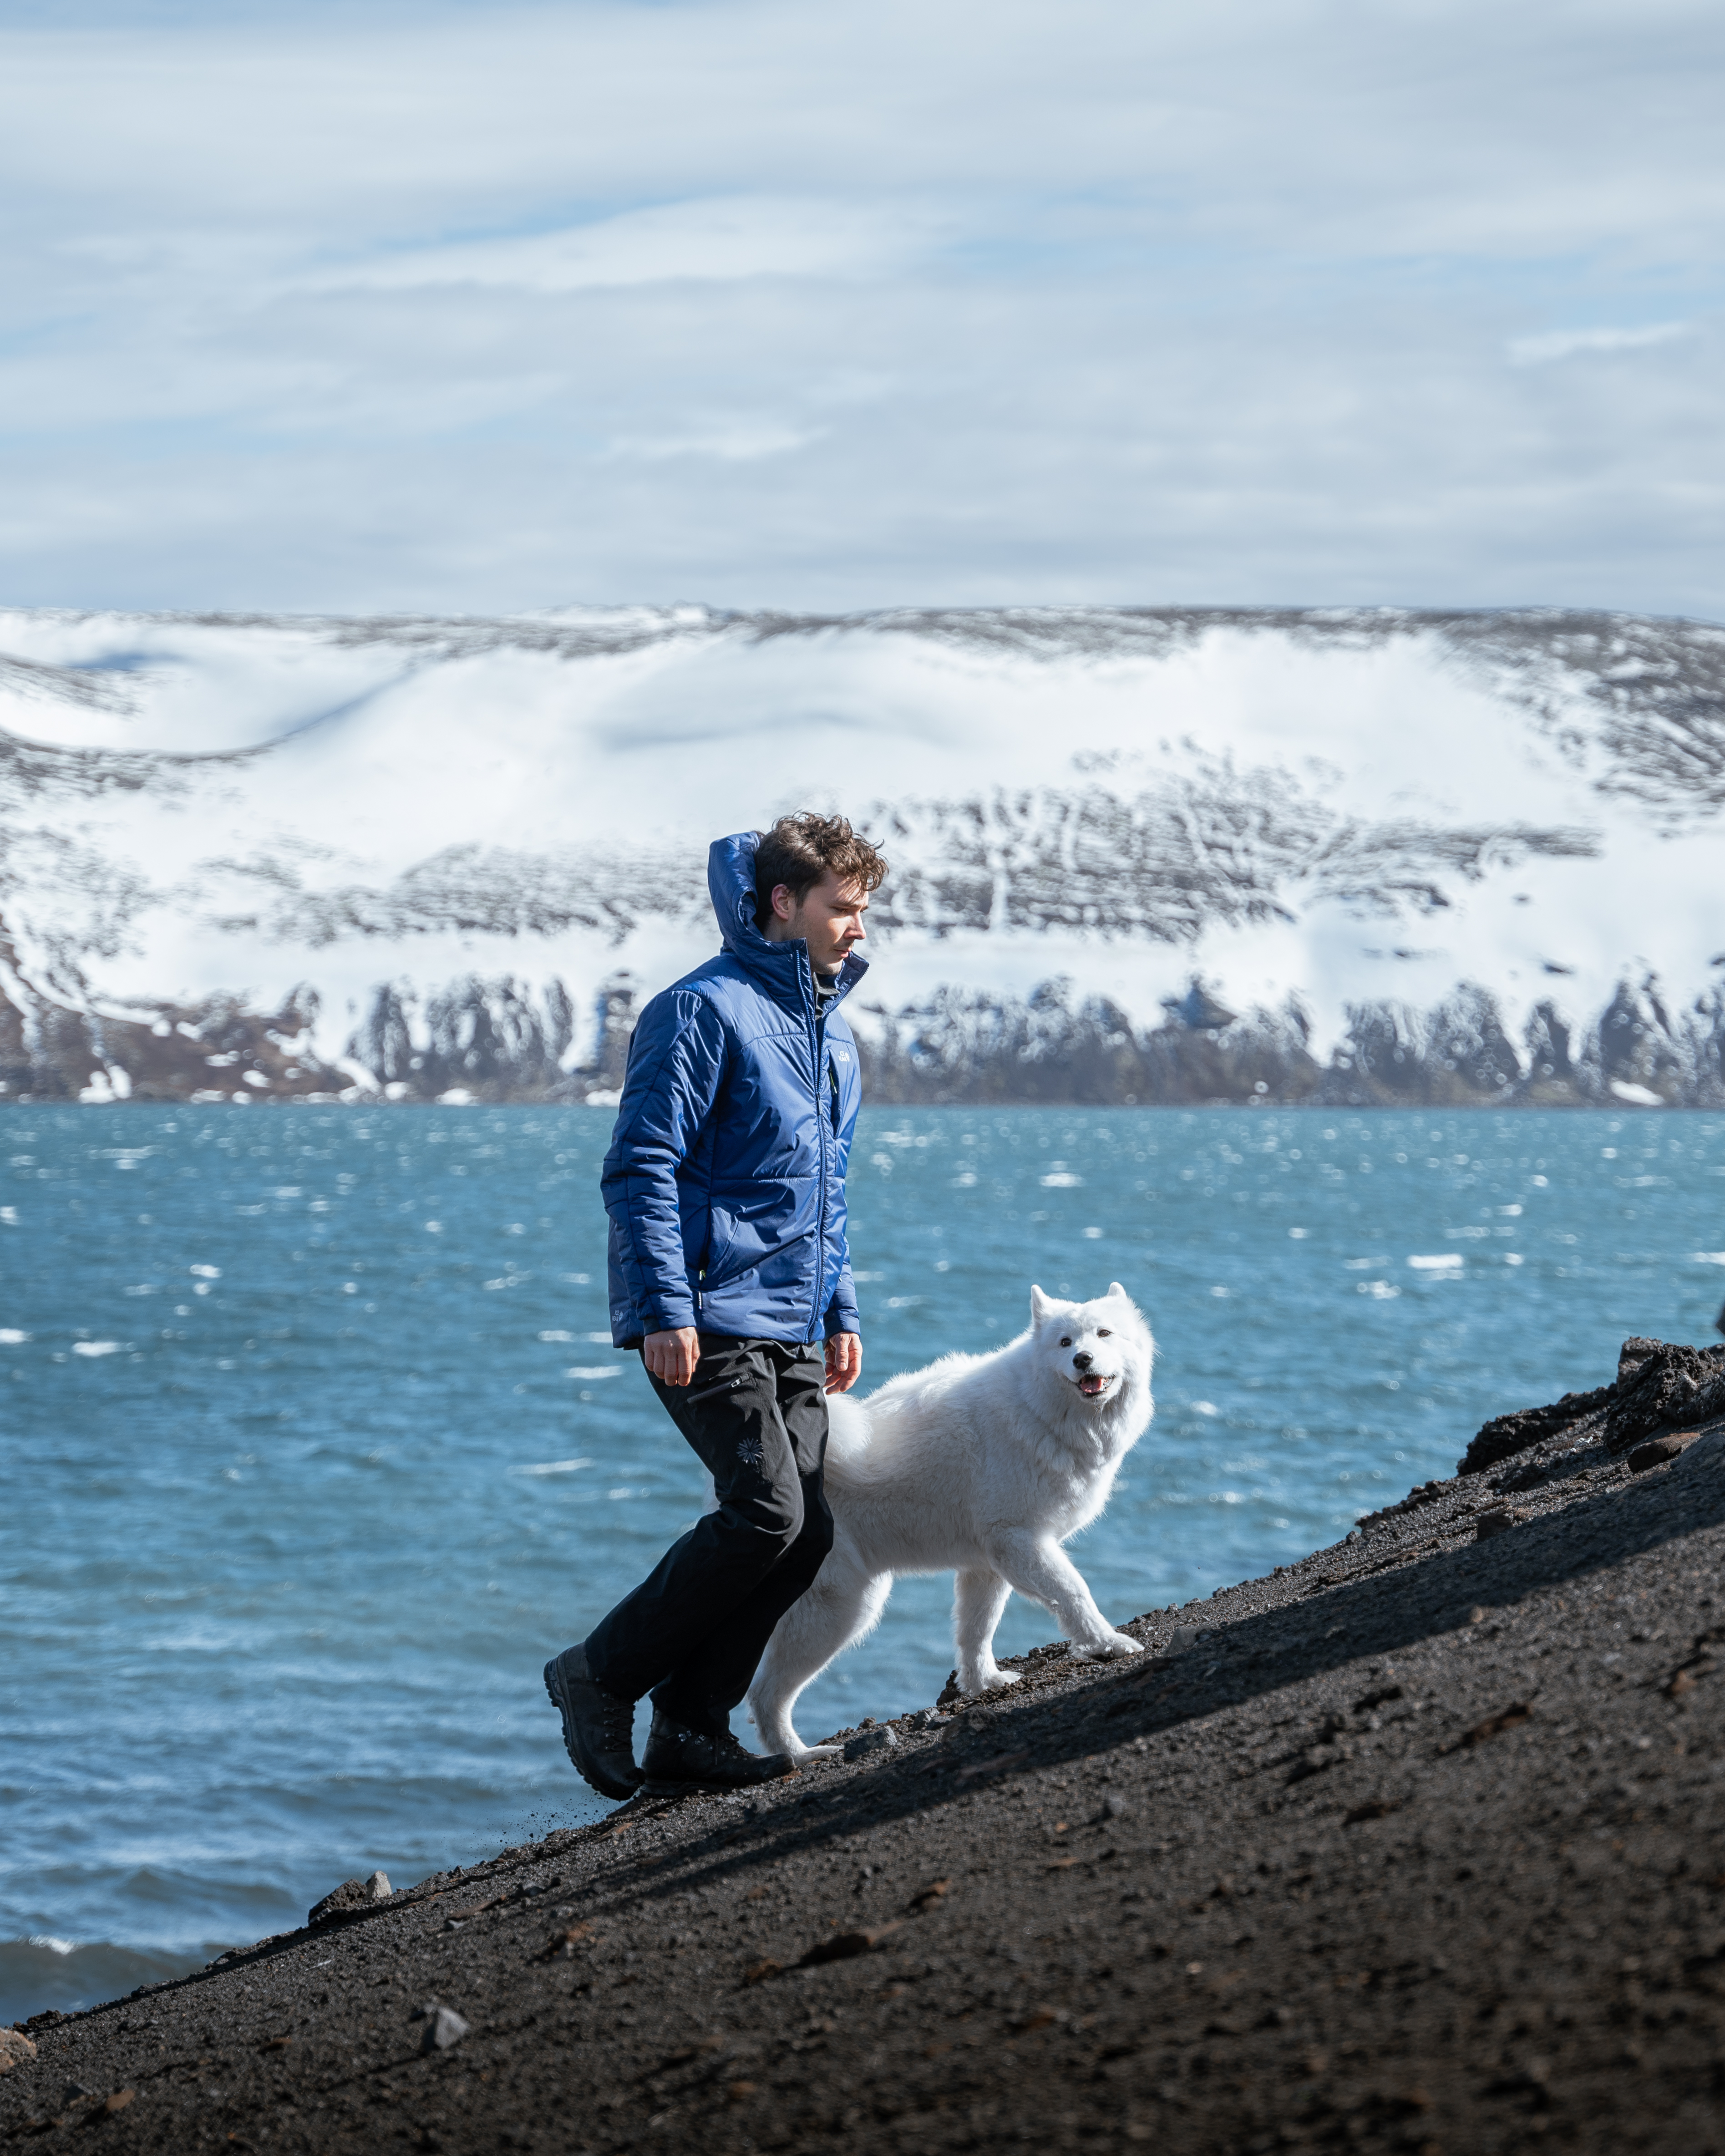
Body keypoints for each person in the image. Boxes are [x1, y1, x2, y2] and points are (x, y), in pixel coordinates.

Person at [544, 812, 886, 1798]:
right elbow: (641, 1166)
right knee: (765, 1511)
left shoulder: (832, 1035)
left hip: (793, 1319)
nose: (856, 927)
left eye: (861, 909)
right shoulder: (698, 1010)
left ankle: (691, 1726)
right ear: (784, 903)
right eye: (842, 907)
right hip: (706, 1308)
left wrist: (840, 1310)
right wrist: (663, 1307)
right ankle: (595, 1674)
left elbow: (827, 1190)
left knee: (806, 1533)